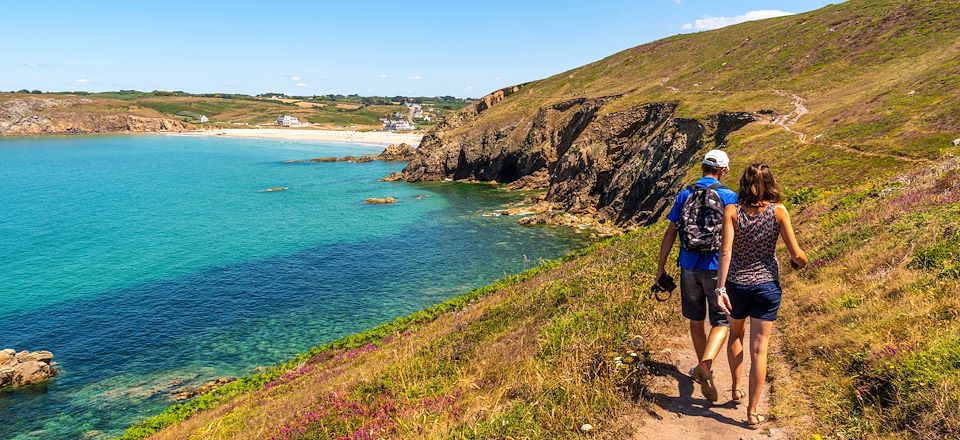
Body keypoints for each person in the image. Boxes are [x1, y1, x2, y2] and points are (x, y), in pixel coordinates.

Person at [715, 163, 807, 428]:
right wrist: (804, 261)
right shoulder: (779, 212)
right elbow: (796, 254)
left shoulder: (732, 211)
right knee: (760, 350)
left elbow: (725, 253)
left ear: (744, 183)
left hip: (736, 284)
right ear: (771, 183)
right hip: (766, 285)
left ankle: (735, 387)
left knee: (735, 334)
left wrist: (721, 288)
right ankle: (753, 412)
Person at [656, 149, 739, 402]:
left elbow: (671, 231)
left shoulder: (685, 195)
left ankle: (707, 372)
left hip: (688, 266)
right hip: (717, 268)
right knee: (722, 322)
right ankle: (706, 365)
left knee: (695, 320)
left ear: (702, 167)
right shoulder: (729, 197)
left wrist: (661, 268)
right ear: (723, 171)